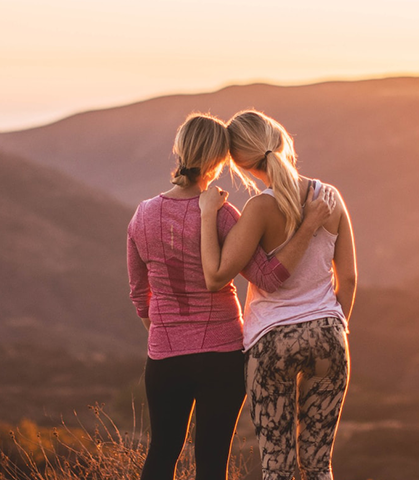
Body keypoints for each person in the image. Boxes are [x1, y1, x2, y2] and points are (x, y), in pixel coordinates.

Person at [126, 113, 331, 480]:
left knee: (162, 451)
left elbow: (140, 295)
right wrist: (308, 227)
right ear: (221, 160)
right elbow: (268, 277)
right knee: (212, 461)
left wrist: (165, 334)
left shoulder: (142, 216)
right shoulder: (223, 216)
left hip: (165, 356)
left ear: (178, 151)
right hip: (221, 357)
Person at [198, 110, 357, 480]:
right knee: (319, 465)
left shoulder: (258, 209)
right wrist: (335, 326)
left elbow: (219, 273)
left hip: (271, 342)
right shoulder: (330, 197)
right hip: (328, 335)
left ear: (241, 163)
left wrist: (209, 215)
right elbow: (347, 278)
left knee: (277, 466)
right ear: (281, 138)